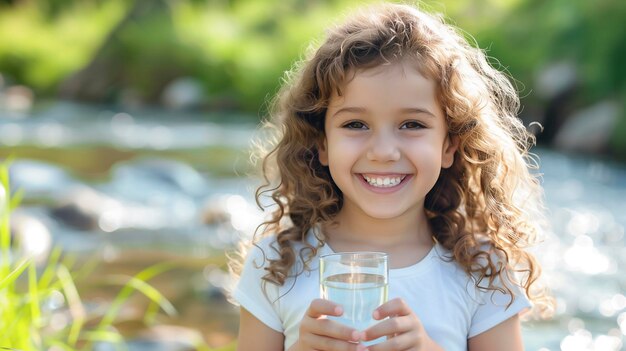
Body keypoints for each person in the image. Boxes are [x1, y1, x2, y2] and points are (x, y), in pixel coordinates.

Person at [229, 3, 553, 351]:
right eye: (356, 124)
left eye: (412, 124)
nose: (383, 151)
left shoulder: (482, 271)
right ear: (321, 143)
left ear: (449, 146)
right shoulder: (276, 264)